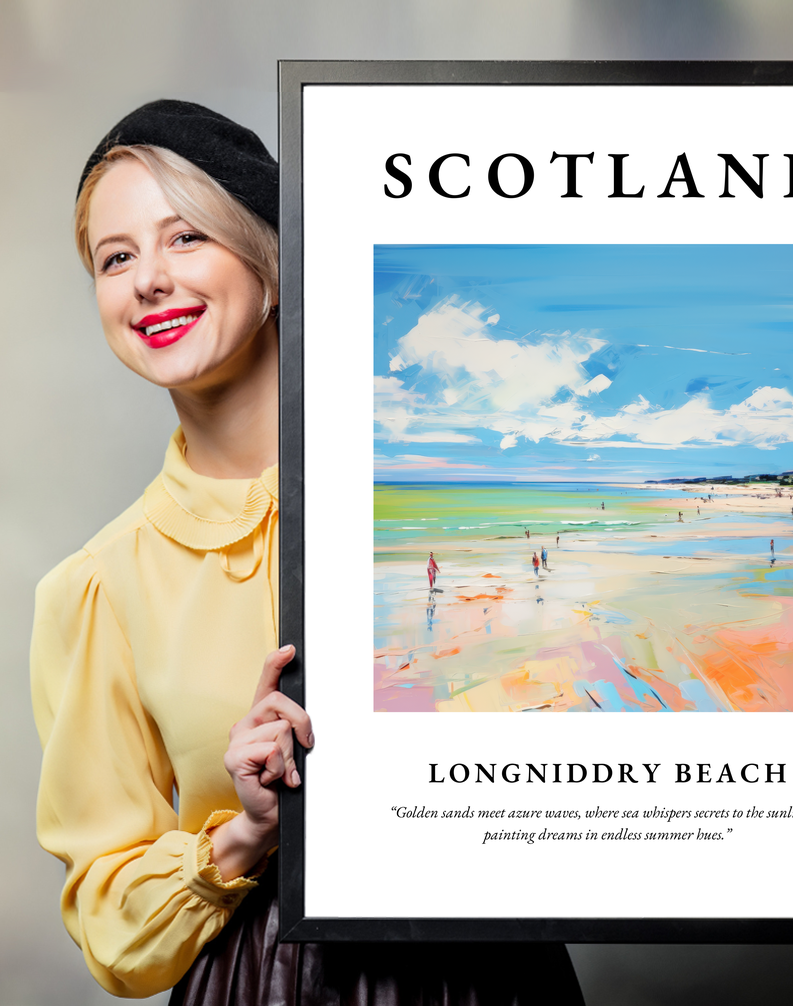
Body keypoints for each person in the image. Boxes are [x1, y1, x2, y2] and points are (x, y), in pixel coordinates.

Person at [30, 100, 584, 1005]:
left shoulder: (434, 495)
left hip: (494, 973)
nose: (148, 280)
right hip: (262, 982)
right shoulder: (98, 587)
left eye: (186, 238)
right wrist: (245, 833)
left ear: (274, 263)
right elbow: (110, 925)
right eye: (116, 257)